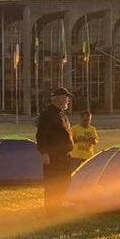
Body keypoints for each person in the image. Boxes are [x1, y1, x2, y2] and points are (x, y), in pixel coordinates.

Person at [36, 87, 75, 215]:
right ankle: (52, 211)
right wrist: (44, 153)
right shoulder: (47, 114)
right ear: (58, 98)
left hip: (64, 155)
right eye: (66, 97)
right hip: (53, 156)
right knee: (53, 182)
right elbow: (41, 135)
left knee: (64, 181)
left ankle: (57, 205)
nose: (68, 100)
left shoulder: (61, 114)